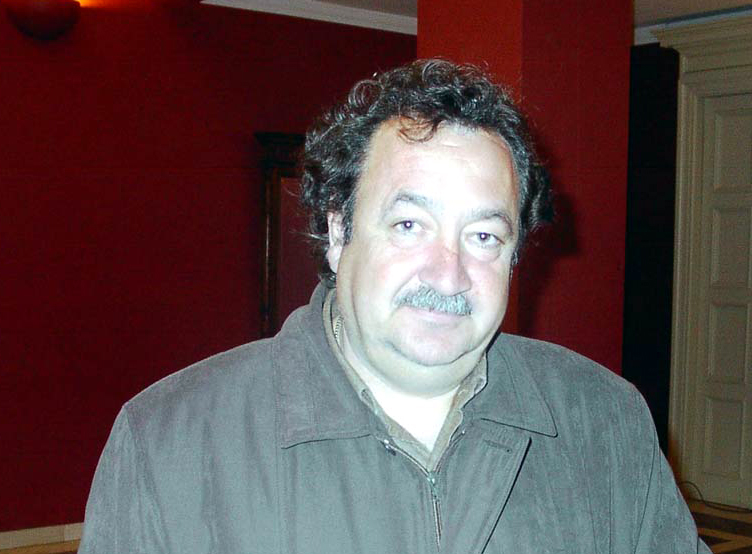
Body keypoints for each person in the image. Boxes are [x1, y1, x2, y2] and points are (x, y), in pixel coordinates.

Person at [78, 59, 710, 553]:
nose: (448, 272)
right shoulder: (168, 442)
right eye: (410, 225)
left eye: (483, 236)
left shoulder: (606, 422)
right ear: (338, 231)